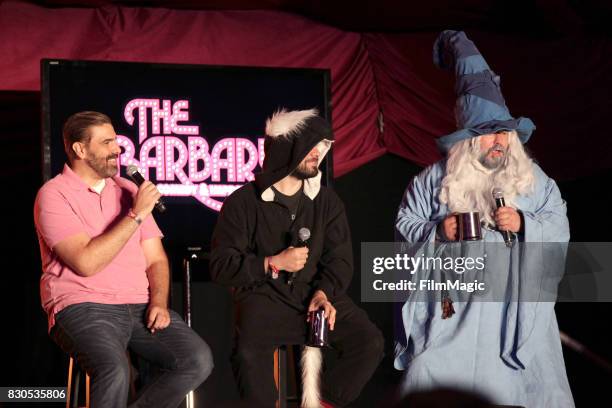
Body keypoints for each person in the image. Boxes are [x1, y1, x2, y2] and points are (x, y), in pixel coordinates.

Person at [394, 31, 574, 407]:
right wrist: (439, 231)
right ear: (468, 140)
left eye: (504, 133)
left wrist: (525, 224)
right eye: (489, 134)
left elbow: (558, 225)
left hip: (512, 314)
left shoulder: (532, 180)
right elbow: (404, 228)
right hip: (450, 313)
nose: (500, 142)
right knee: (432, 384)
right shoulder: (432, 180)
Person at [34, 111, 213, 408]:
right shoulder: (53, 195)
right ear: (80, 149)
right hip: (83, 306)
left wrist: (158, 302)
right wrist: (136, 214)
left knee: (196, 359)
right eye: (106, 142)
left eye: (115, 140)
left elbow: (156, 258)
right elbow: (86, 263)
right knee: (115, 370)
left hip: (139, 305)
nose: (117, 149)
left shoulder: (129, 190)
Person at [210, 108, 384, 407]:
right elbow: (222, 266)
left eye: (321, 147)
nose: (317, 154)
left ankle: (323, 403)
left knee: (369, 341)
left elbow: (340, 260)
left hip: (313, 295)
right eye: (310, 147)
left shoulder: (326, 202)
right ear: (285, 151)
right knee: (249, 353)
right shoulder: (243, 203)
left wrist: (323, 293)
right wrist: (272, 263)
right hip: (264, 296)